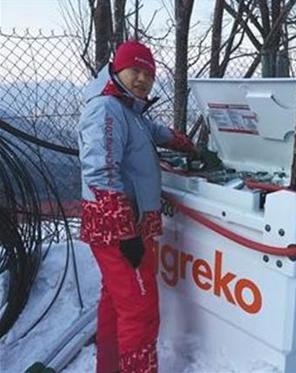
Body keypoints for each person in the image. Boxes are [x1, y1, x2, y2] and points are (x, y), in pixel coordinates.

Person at [78, 40, 196, 373]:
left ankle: (109, 367)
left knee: (115, 302)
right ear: (117, 68)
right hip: (120, 230)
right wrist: (125, 233)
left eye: (149, 73)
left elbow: (153, 131)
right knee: (140, 313)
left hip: (124, 226)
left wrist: (185, 144)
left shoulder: (128, 108)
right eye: (136, 70)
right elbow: (100, 172)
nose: (143, 79)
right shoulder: (106, 109)